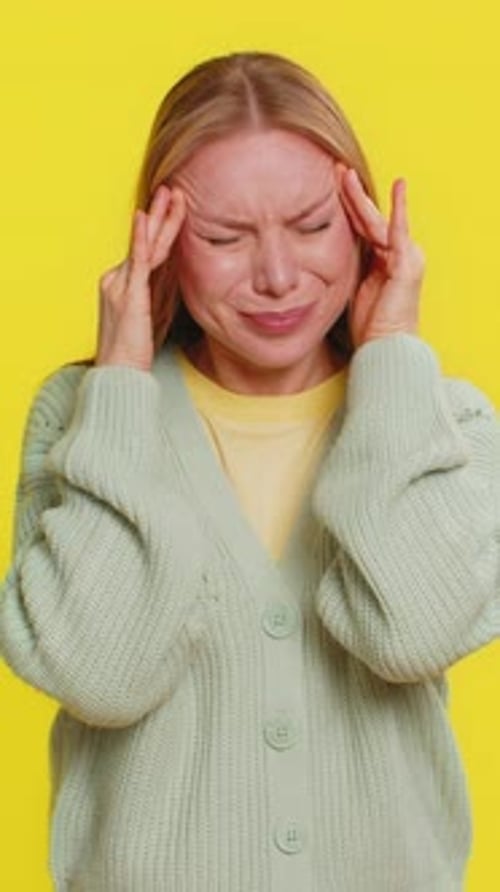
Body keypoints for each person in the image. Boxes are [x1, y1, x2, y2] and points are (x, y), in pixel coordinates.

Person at [1, 50, 498, 892]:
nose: (276, 276)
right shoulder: (84, 418)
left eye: (310, 227)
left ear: (364, 221)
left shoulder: (444, 423)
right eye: (223, 238)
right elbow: (99, 676)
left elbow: (414, 634)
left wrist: (391, 361)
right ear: (158, 242)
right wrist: (120, 383)